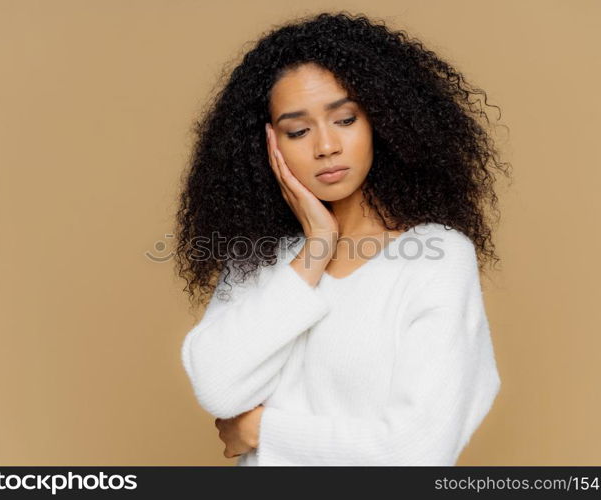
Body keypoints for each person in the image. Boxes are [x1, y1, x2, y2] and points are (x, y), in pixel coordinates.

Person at [174, 11, 512, 466]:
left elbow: (415, 451)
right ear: (268, 144)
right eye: (298, 131)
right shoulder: (263, 256)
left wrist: (260, 430)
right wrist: (316, 247)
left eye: (345, 120)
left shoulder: (436, 258)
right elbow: (217, 386)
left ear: (383, 120)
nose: (326, 146)